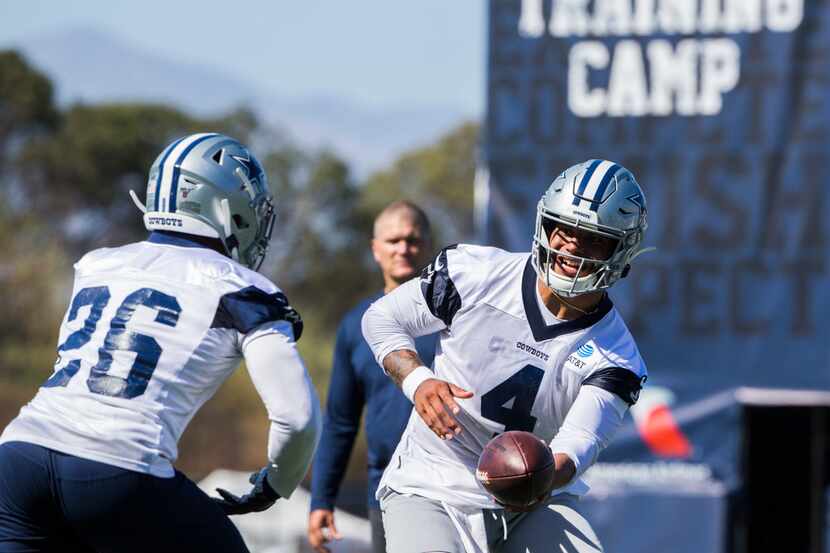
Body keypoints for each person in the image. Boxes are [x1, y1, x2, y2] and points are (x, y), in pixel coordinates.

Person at [0, 133, 321, 553]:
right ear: (225, 206)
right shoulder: (243, 290)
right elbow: (297, 418)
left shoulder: (98, 265)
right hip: (117, 466)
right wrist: (278, 482)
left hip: (18, 458)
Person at [362, 159, 650, 553]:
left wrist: (536, 476)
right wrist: (417, 380)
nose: (573, 247)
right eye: (565, 228)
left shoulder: (616, 355)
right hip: (434, 481)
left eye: (594, 238)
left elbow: (576, 445)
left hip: (534, 500)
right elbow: (382, 318)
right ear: (545, 223)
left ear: (622, 250)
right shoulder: (475, 273)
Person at [307, 201, 438, 553]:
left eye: (412, 239)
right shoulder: (356, 326)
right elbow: (340, 421)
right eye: (393, 240)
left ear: (427, 245)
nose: (403, 248)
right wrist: (322, 499)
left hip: (456, 487)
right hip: (387, 490)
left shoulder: (455, 317)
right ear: (375, 248)